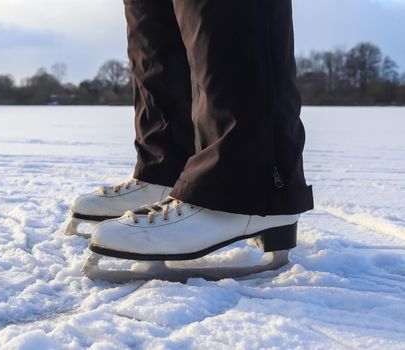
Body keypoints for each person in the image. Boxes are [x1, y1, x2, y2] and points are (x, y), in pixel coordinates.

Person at [66, 0, 313, 274]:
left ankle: (246, 188)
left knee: (217, 16)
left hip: (251, 182)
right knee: (151, 22)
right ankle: (168, 170)